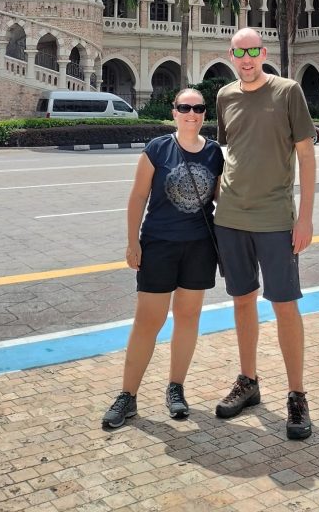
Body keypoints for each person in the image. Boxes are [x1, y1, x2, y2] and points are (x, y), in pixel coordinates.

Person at [214, 28, 317, 440]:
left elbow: (306, 157)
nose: (247, 59)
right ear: (231, 55)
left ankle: (297, 395)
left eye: (253, 51)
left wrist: (305, 217)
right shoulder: (225, 97)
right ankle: (248, 381)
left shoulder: (288, 91)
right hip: (231, 216)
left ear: (264, 52)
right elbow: (230, 153)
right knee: (242, 301)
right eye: (240, 52)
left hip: (276, 219)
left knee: (285, 306)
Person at [101, 88, 223, 429]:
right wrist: (132, 243)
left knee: (187, 318)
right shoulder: (158, 148)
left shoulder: (214, 153)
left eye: (198, 108)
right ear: (174, 112)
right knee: (148, 321)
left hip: (199, 247)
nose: (192, 113)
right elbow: (138, 196)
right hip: (159, 244)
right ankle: (127, 396)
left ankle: (176, 388)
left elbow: (222, 199)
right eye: (185, 107)